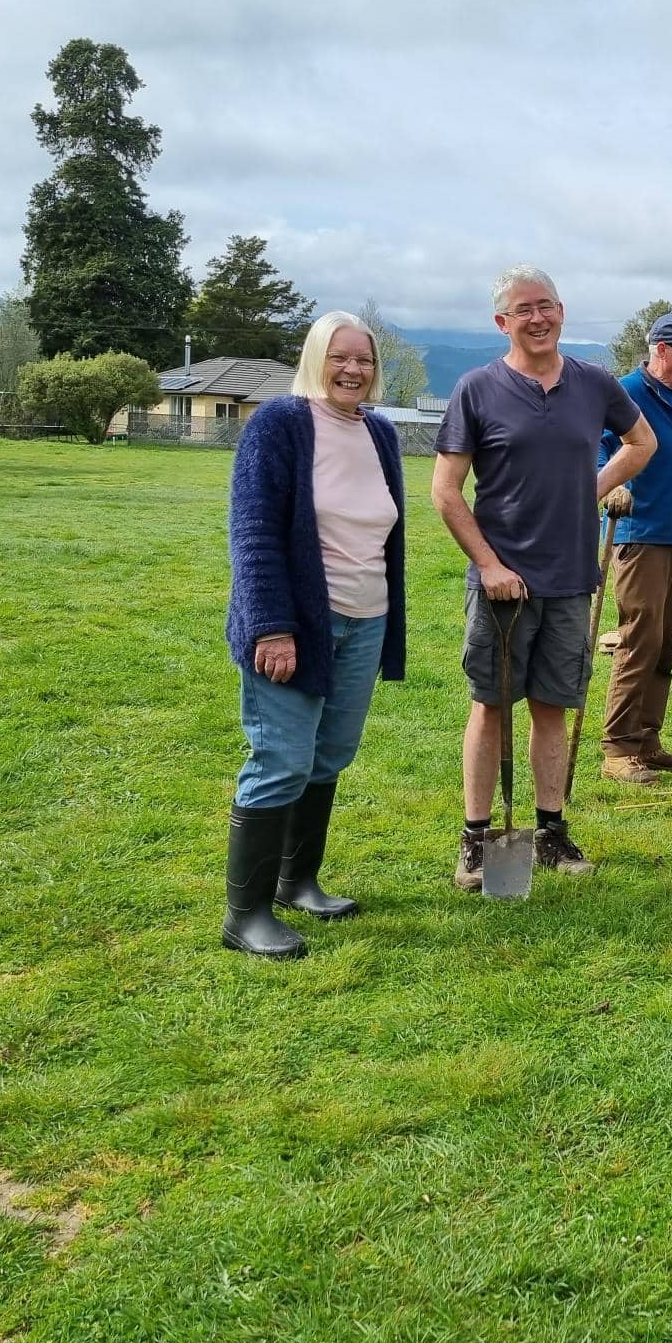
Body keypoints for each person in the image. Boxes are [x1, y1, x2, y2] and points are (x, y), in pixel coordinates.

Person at [431, 266, 657, 884]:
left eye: (546, 306)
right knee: (491, 708)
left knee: (553, 707)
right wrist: (489, 565)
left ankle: (551, 832)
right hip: (503, 581)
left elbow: (641, 444)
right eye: (523, 309)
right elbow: (446, 492)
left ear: (562, 311)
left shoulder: (593, 384)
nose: (538, 318)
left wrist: (593, 489)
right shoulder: (477, 389)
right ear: (502, 322)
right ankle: (477, 839)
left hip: (570, 577)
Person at [222, 312, 406, 959]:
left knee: (329, 755)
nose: (353, 369)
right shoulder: (281, 424)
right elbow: (254, 533)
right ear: (314, 359)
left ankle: (296, 881)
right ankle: (244, 916)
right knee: (281, 758)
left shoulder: (378, 434)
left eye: (364, 359)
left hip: (365, 621)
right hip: (297, 624)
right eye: (340, 356)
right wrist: (272, 627)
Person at [598, 312, 672, 786]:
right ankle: (619, 748)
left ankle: (647, 739)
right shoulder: (624, 393)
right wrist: (607, 486)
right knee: (639, 639)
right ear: (661, 351)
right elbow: (596, 447)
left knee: (665, 643)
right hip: (638, 534)